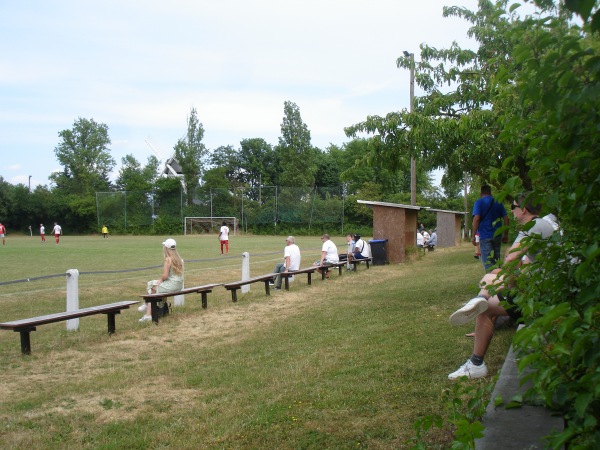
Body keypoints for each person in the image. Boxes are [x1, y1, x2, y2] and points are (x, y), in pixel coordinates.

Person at [447, 194, 556, 380]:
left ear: (523, 210)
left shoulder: (532, 226)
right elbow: (526, 264)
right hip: (549, 291)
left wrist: (507, 282)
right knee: (494, 276)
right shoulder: (545, 225)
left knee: (486, 306)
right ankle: (480, 299)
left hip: (542, 298)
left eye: (513, 207)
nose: (511, 212)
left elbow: (512, 259)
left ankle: (476, 363)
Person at [139, 238, 184, 322]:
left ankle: (148, 313)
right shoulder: (179, 259)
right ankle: (147, 309)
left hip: (172, 285)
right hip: (179, 285)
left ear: (166, 248)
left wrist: (160, 280)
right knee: (152, 283)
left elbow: (165, 276)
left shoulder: (168, 259)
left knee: (152, 288)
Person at [472, 185, 509, 271]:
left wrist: (473, 236)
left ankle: (491, 281)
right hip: (497, 235)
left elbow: (476, 218)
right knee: (496, 262)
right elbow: (506, 218)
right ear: (490, 192)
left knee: (488, 265)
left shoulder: (478, 202)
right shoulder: (498, 202)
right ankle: (499, 281)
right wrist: (506, 234)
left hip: (485, 236)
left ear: (481, 193)